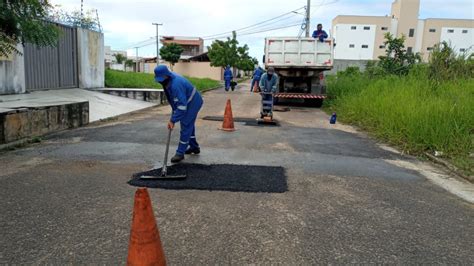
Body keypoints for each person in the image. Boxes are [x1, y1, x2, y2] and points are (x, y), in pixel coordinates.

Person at [154, 65, 203, 163]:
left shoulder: (176, 85)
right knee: (189, 125)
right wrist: (174, 112)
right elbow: (174, 100)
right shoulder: (167, 80)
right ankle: (194, 147)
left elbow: (181, 107)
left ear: (167, 76)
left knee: (185, 124)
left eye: (161, 79)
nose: (160, 81)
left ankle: (180, 153)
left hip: (193, 102)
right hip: (186, 100)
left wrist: (173, 120)